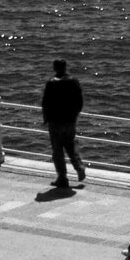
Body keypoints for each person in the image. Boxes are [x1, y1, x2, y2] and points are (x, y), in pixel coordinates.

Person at [40, 58, 86, 189]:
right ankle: (79, 166)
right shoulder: (74, 81)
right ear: (65, 67)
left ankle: (62, 178)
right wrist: (74, 116)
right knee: (71, 145)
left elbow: (45, 103)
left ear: (55, 68)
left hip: (56, 121)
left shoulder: (51, 83)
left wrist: (46, 119)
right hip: (70, 121)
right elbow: (79, 101)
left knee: (57, 150)